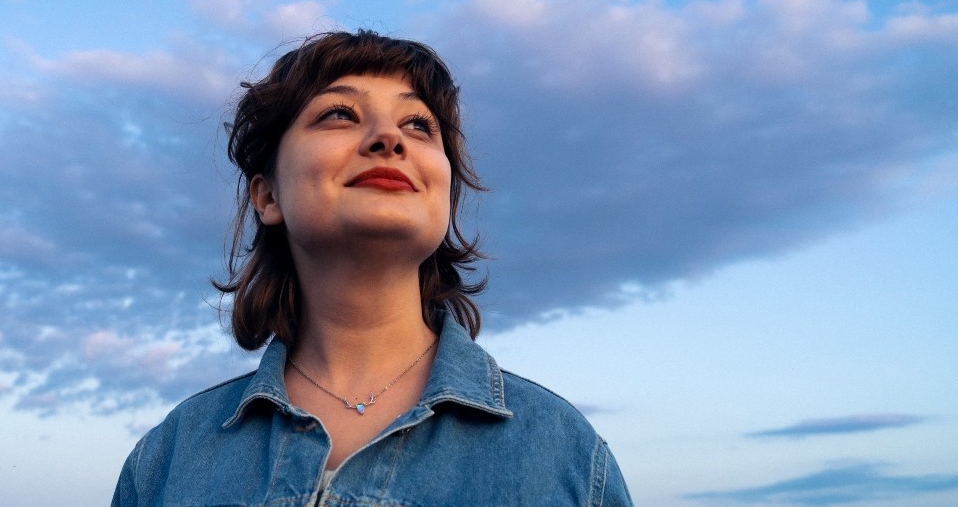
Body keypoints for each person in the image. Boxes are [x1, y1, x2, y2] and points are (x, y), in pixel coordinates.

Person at [111, 30, 633, 506]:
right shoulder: (167, 461)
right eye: (339, 114)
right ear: (267, 195)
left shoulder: (566, 458)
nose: (390, 138)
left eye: (418, 124)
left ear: (444, 195)